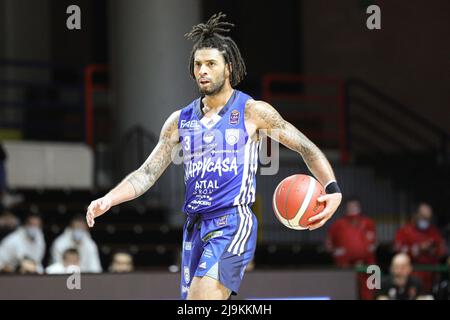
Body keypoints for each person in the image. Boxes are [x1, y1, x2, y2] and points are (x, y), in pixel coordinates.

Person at [86, 13, 342, 300]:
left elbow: (305, 147)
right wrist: (109, 199)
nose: (202, 71)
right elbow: (146, 173)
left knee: (201, 298)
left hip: (233, 220)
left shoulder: (252, 111)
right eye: (198, 65)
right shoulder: (179, 121)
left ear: (228, 68)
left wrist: (332, 189)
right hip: (195, 225)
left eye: (210, 64)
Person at [326, 196, 376, 299]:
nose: (353, 209)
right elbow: (328, 244)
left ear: (359, 208)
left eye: (355, 206)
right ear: (346, 209)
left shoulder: (368, 223)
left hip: (368, 266)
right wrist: (336, 251)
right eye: (350, 207)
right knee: (345, 292)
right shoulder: (337, 225)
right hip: (345, 267)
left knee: (372, 291)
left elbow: (374, 242)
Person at [394, 202, 446, 293]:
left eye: (427, 218)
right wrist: (418, 248)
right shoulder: (405, 231)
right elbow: (399, 249)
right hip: (411, 273)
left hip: (431, 274)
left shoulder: (433, 232)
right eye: (422, 216)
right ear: (416, 215)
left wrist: (432, 250)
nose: (425, 220)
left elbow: (441, 250)